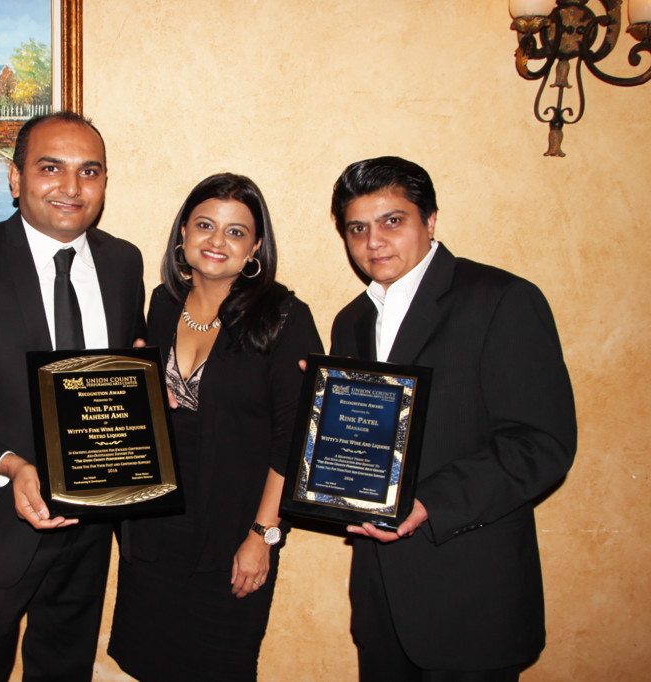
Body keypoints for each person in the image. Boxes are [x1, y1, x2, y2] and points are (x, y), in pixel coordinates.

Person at [0, 111, 146, 681]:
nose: (71, 187)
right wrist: (11, 467)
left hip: (91, 528)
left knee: (66, 670)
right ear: (15, 179)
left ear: (105, 183)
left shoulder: (123, 263)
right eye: (51, 168)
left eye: (89, 171)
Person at [327, 156, 577, 681]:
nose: (374, 241)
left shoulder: (501, 298)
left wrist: (428, 502)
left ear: (430, 220)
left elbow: (540, 443)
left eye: (392, 220)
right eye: (358, 228)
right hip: (382, 605)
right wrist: (317, 412)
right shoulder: (351, 322)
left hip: (473, 599)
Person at [107, 173, 323, 681]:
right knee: (150, 663)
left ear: (255, 249)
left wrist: (262, 534)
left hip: (233, 535)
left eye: (235, 231)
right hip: (153, 531)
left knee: (218, 666)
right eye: (205, 225)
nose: (216, 241)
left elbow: (294, 439)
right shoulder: (161, 305)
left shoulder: (284, 317)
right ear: (183, 233)